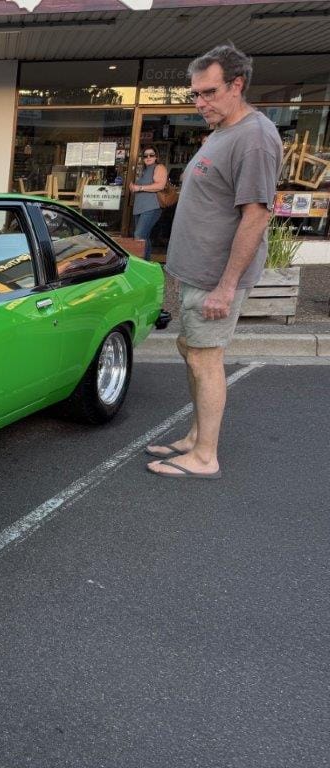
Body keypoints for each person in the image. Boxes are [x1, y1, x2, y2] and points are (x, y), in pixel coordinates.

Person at [146, 44, 282, 480]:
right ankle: (195, 436)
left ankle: (205, 456)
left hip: (214, 279)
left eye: (208, 92)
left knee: (205, 358)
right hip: (197, 274)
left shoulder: (255, 138)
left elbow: (256, 215)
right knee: (192, 351)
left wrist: (226, 287)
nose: (200, 102)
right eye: (194, 94)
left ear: (237, 85)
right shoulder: (224, 132)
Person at [128, 145, 168, 261]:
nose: (148, 157)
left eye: (151, 155)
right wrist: (134, 187)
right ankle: (147, 262)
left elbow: (160, 185)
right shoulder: (144, 170)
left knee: (139, 236)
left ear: (156, 157)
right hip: (141, 207)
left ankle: (141, 265)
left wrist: (139, 188)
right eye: (145, 155)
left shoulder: (159, 167)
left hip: (151, 207)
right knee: (144, 237)